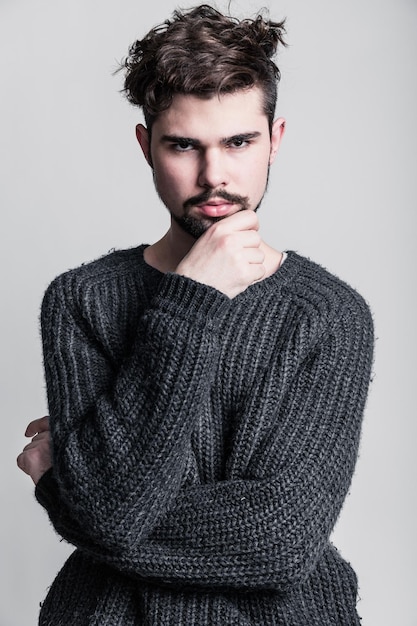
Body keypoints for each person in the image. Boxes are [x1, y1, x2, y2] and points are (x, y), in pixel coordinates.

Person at [17, 5, 374, 625]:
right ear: (146, 146)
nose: (215, 176)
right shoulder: (81, 300)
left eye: (239, 142)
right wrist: (192, 300)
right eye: (184, 145)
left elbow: (280, 541)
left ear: (276, 139)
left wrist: (66, 490)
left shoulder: (329, 315)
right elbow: (109, 507)